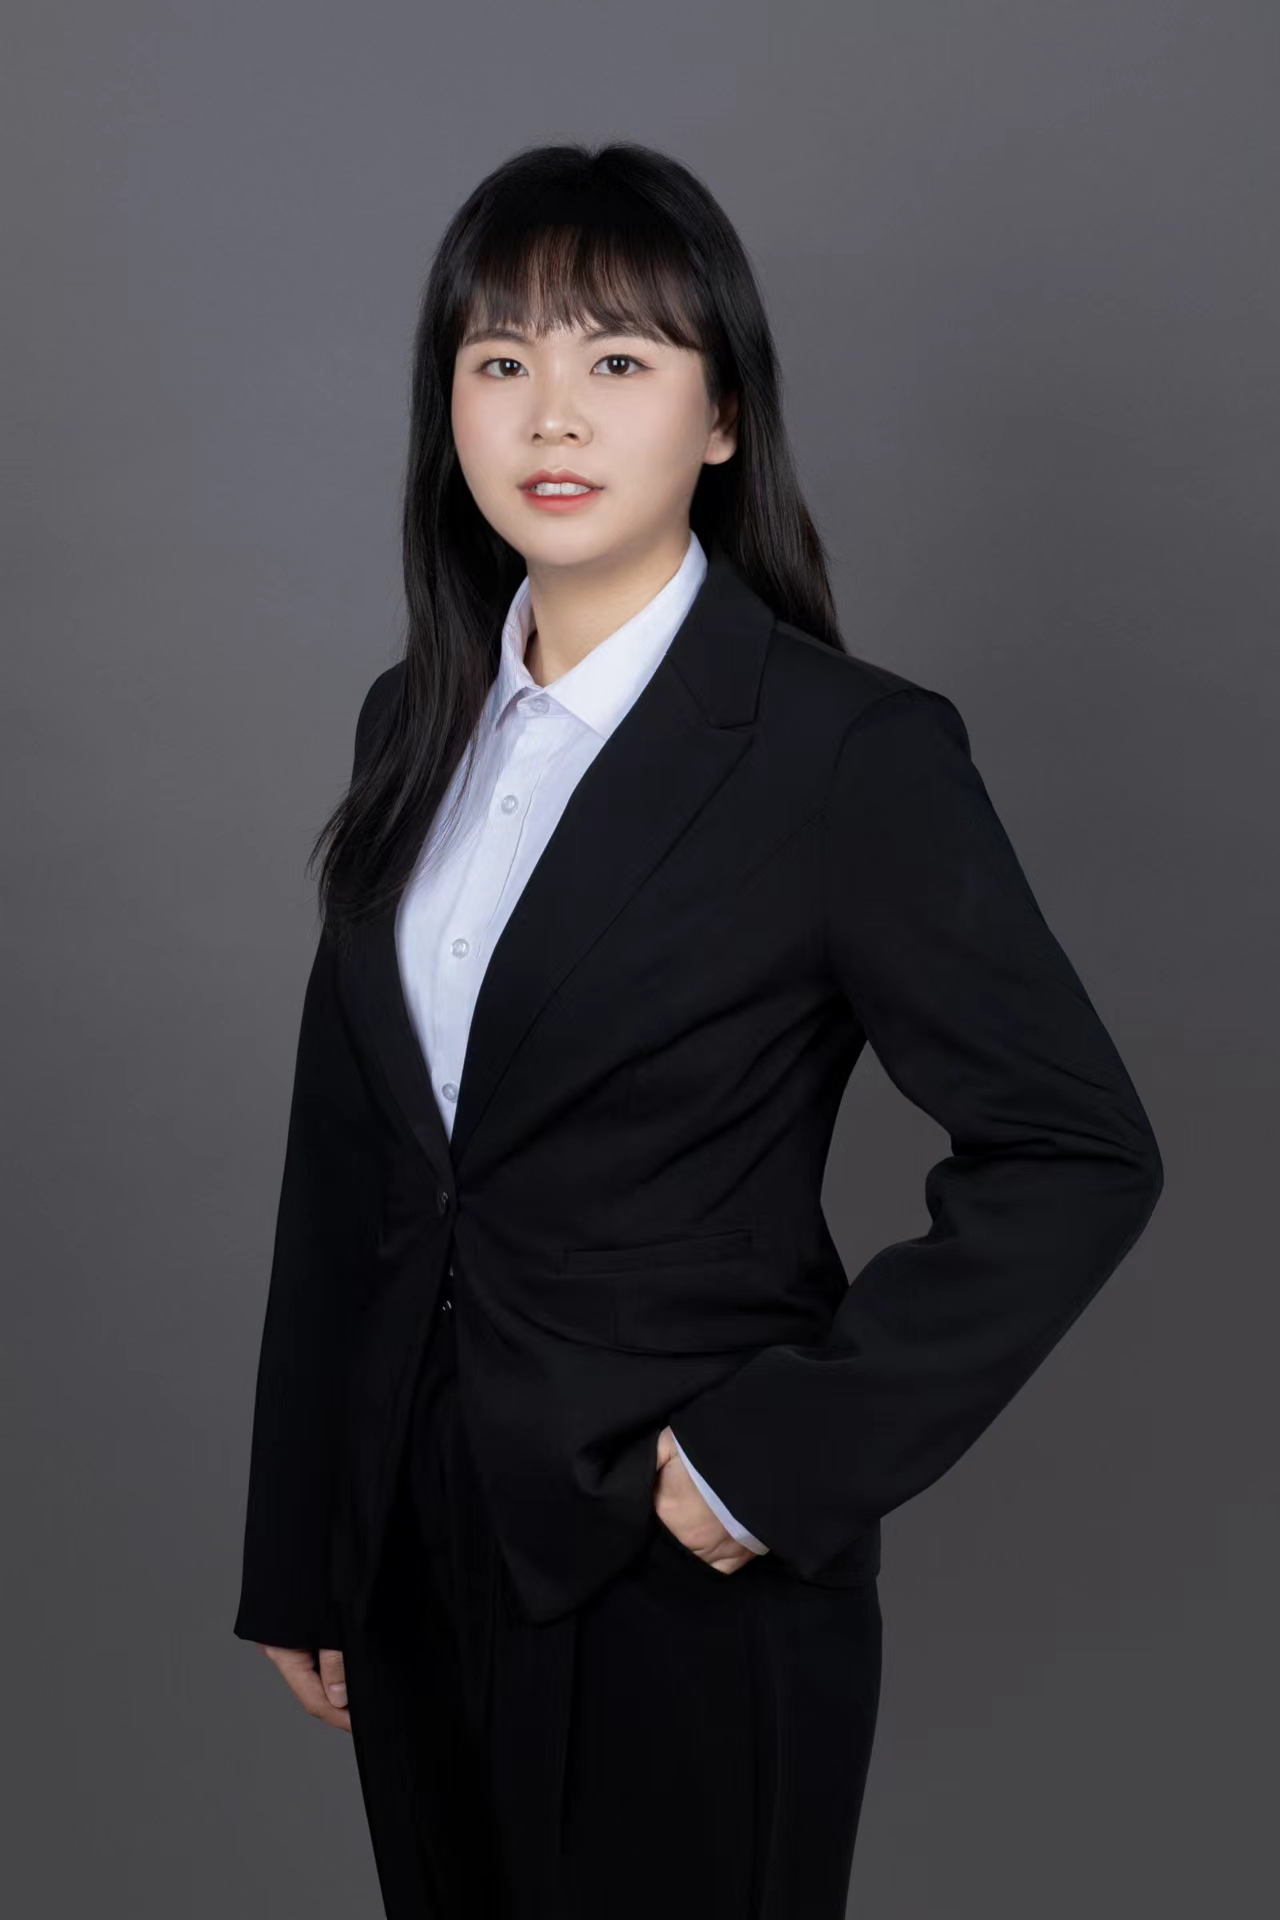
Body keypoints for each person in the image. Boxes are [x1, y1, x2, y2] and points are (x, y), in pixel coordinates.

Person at [232, 141, 1164, 1920]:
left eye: (618, 358)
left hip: (678, 1562)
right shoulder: (409, 721)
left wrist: (771, 1464)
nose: (551, 414)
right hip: (415, 1548)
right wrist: (303, 1543)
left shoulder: (843, 752)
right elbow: (350, 1156)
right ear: (448, 410)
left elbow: (1075, 1150)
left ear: (721, 415)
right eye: (500, 360)